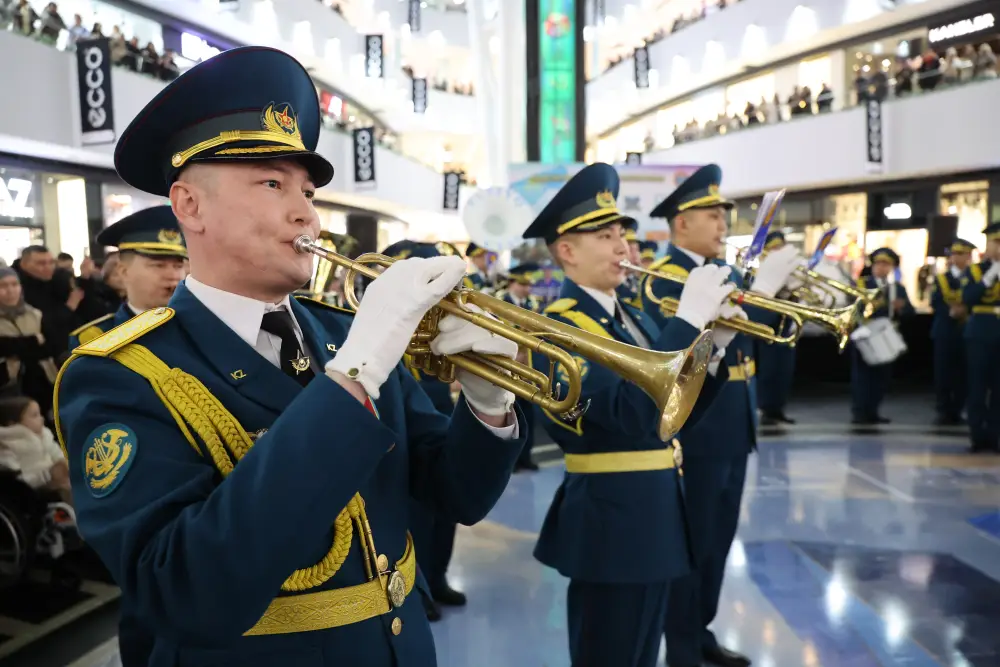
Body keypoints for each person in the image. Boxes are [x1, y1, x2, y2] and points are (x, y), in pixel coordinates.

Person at [56, 46, 528, 667]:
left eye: (306, 188)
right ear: (189, 205)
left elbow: (455, 494)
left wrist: (489, 407)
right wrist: (352, 380)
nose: (306, 209)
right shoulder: (117, 373)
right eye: (272, 182)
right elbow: (182, 588)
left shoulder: (345, 334)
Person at [524, 162, 742, 667]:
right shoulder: (562, 326)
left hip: (657, 510)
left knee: (643, 652)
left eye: (622, 232)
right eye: (605, 235)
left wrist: (715, 353)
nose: (624, 246)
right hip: (612, 521)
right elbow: (626, 414)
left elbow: (676, 412)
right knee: (612, 652)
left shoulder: (635, 318)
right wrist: (687, 321)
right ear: (567, 252)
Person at [641, 164, 801, 667]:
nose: (721, 222)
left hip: (733, 425)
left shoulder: (724, 273)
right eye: (712, 214)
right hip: (699, 430)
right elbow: (686, 350)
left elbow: (753, 334)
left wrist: (772, 292)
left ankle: (702, 630)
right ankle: (682, 647)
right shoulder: (666, 277)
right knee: (693, 544)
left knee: (717, 542)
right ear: (680, 222)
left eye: (722, 214)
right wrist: (762, 296)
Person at [69, 206, 188, 350]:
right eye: (158, 265)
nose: (173, 276)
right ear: (123, 271)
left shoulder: (202, 330)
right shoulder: (94, 341)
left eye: (178, 266)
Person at [851, 247, 915, 425]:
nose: (881, 268)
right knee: (863, 375)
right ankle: (859, 411)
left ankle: (873, 410)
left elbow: (911, 311)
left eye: (886, 264)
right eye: (879, 263)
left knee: (882, 376)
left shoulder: (897, 288)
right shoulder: (862, 285)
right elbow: (856, 309)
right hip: (866, 333)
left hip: (887, 335)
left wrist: (902, 308)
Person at [500, 262, 542, 472]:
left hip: (528, 369)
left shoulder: (533, 304)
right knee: (509, 416)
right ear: (511, 283)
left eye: (528, 285)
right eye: (522, 284)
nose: (527, 289)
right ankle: (511, 461)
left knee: (528, 416)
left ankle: (526, 456)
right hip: (507, 367)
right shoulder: (498, 304)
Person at [754, 230, 799, 426]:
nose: (777, 251)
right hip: (769, 328)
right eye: (773, 248)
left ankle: (778, 408)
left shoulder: (789, 271)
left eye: (779, 248)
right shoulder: (760, 273)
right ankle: (766, 408)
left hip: (787, 327)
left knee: (784, 371)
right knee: (769, 371)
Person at [962, 222, 1000, 452]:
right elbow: (969, 298)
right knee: (977, 386)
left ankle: (995, 436)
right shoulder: (976, 270)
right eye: (997, 242)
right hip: (979, 332)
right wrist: (990, 276)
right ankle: (977, 436)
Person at [930, 238, 975, 426]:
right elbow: (936, 302)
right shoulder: (942, 279)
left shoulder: (974, 277)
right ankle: (944, 410)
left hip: (966, 331)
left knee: (964, 373)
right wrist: (951, 312)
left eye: (963, 254)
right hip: (945, 331)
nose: (959, 258)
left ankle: (958, 408)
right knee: (943, 372)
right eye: (956, 254)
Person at [0, 396, 70, 504]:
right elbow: (16, 483)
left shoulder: (45, 436)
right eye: (34, 415)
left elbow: (57, 454)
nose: (41, 418)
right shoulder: (7, 445)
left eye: (40, 414)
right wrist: (47, 475)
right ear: (13, 424)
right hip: (36, 493)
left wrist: (64, 464)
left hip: (58, 481)